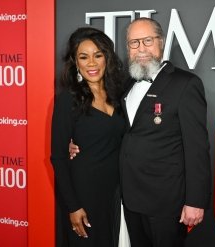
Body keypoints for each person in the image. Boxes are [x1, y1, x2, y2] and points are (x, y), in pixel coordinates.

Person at [70, 17, 212, 247]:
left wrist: (196, 201)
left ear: (161, 42)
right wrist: (72, 140)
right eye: (134, 43)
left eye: (147, 40)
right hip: (130, 199)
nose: (141, 48)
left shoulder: (185, 84)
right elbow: (110, 127)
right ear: (128, 48)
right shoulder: (125, 84)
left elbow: (197, 148)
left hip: (166, 203)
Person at [50, 27, 125, 247]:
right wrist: (73, 206)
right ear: (75, 62)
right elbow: (59, 158)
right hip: (84, 193)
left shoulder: (121, 95)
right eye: (84, 57)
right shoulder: (68, 100)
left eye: (98, 55)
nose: (91, 63)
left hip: (118, 193)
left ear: (107, 58)